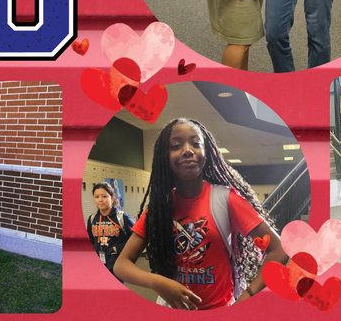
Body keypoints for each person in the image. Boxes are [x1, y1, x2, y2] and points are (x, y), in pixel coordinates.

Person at [113, 118, 288, 310]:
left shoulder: (227, 200)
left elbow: (279, 249)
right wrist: (157, 282)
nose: (187, 150)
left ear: (207, 152)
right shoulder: (159, 208)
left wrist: (248, 297)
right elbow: (121, 264)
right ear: (165, 155)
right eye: (176, 145)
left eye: (196, 143)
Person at [87, 182, 136, 280]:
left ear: (112, 198)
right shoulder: (92, 218)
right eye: (96, 197)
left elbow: (136, 240)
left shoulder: (122, 217)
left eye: (104, 196)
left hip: (117, 266)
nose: (100, 200)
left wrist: (119, 248)